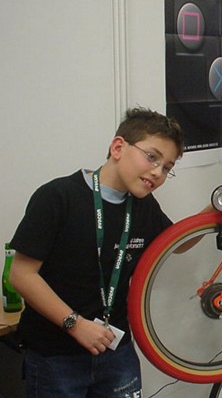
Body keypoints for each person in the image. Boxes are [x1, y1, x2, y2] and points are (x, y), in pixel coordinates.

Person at [9, 108, 184, 397]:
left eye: (167, 167)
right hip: (57, 355)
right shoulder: (58, 197)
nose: (157, 172)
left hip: (116, 350)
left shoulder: (144, 206)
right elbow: (21, 275)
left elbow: (179, 241)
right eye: (152, 157)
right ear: (118, 148)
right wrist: (75, 324)